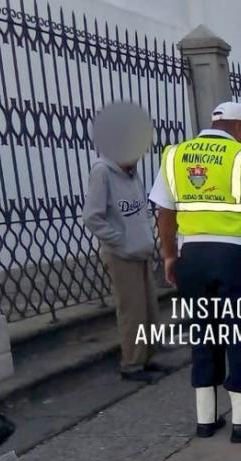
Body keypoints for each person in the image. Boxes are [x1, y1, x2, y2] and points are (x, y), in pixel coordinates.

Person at [149, 102, 241, 443]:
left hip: (191, 255)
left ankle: (206, 419)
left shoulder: (174, 155)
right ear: (240, 128)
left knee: (203, 333)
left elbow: (165, 214)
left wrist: (170, 256)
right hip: (233, 255)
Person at [83, 150, 161, 383]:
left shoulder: (131, 174)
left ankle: (147, 357)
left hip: (141, 250)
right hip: (121, 254)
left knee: (149, 309)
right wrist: (121, 240)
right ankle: (132, 364)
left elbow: (140, 211)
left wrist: (145, 237)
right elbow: (92, 217)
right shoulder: (102, 172)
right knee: (132, 311)